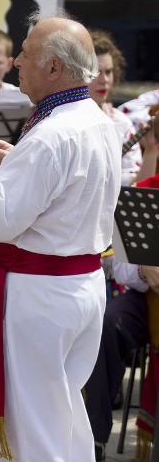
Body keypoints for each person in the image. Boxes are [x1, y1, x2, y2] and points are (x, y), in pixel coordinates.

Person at [0, 11, 121, 461]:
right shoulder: (97, 120)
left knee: (34, 428)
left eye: (26, 53)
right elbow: (65, 188)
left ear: (54, 67)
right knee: (63, 411)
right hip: (83, 287)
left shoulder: (53, 134)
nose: (16, 60)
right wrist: (18, 164)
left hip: (41, 296)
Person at [83, 171, 159, 461]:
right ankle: (94, 437)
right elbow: (118, 263)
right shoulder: (141, 193)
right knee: (105, 325)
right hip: (147, 298)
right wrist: (143, 270)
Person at [88, 29, 145, 186]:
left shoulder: (121, 122)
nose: (105, 80)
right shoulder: (60, 116)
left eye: (108, 72)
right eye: (96, 73)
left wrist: (152, 153)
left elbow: (133, 186)